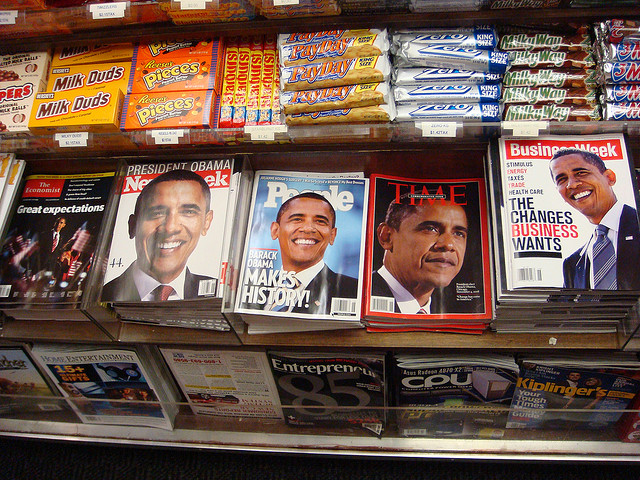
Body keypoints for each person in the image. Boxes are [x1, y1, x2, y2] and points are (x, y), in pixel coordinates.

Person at [102, 169, 214, 302]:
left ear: (206, 222)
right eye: (157, 213)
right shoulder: (102, 294)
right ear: (132, 225)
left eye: (188, 212)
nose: (170, 228)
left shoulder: (219, 293)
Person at [549, 148, 640, 290]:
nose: (571, 184)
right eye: (562, 179)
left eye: (580, 173)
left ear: (610, 177)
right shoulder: (572, 264)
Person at [372, 193, 469, 315]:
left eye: (458, 234)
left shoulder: (457, 312)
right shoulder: (351, 293)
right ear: (386, 237)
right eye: (430, 229)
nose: (448, 245)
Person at [269, 192, 358, 314]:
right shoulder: (252, 286)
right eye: (297, 219)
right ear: (275, 231)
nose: (308, 228)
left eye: (320, 221)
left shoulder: (353, 290)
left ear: (332, 235)